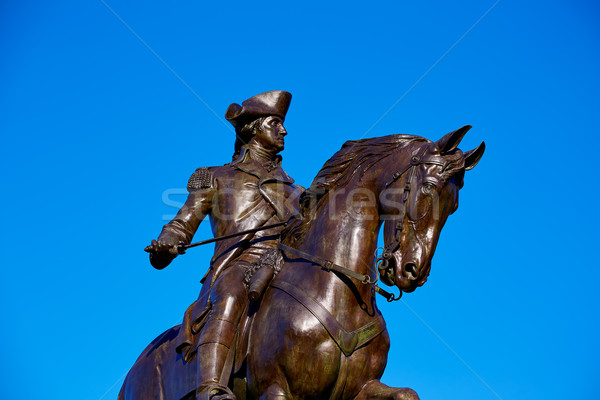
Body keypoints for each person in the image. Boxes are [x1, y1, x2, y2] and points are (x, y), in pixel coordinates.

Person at [145, 90, 303, 400]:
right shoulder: (217, 177)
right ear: (253, 128)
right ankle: (210, 387)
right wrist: (167, 242)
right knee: (231, 293)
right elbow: (182, 223)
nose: (284, 130)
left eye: (282, 124)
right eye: (275, 123)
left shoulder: (297, 190)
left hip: (285, 265)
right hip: (239, 264)